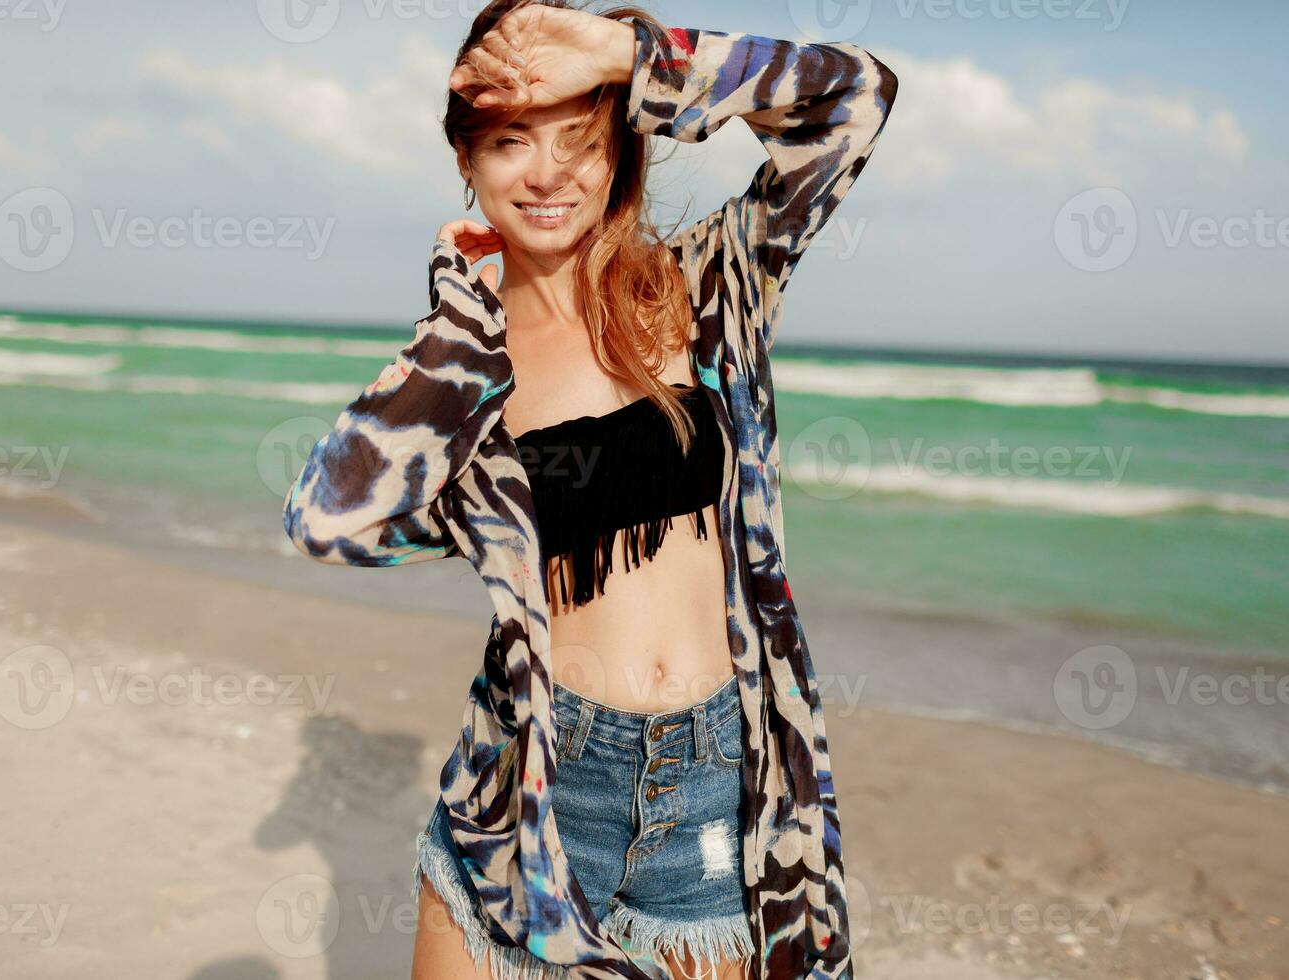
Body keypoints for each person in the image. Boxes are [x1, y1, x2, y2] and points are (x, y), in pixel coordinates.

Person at [281, 1, 897, 977]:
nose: (547, 172)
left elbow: (852, 100)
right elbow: (331, 517)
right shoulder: (471, 367)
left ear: (622, 147)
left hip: (710, 786)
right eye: (511, 140)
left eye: (580, 136)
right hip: (534, 775)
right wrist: (452, 321)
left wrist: (629, 52)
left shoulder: (707, 284)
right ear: (467, 163)